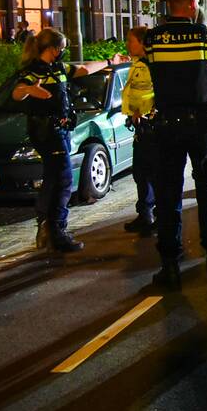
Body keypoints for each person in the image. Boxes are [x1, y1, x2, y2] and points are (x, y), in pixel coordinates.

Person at [12, 29, 127, 252]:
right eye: (62, 48)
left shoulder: (58, 68)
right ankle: (56, 230)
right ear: (53, 49)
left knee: (54, 178)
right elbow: (17, 92)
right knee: (63, 179)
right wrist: (28, 90)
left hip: (59, 130)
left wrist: (108, 61)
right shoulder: (36, 71)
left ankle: (47, 226)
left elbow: (83, 69)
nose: (63, 52)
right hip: (48, 131)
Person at [145, 0, 207, 289]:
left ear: (170, 6)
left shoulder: (153, 39)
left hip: (167, 125)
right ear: (193, 5)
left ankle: (170, 266)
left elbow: (153, 71)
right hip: (202, 124)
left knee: (168, 196)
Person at [122, 25, 156, 237]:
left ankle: (151, 215)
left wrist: (151, 113)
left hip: (150, 126)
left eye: (130, 40)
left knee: (149, 172)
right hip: (140, 124)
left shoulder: (151, 65)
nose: (127, 44)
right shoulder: (138, 65)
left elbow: (160, 92)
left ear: (142, 43)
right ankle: (145, 213)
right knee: (141, 173)